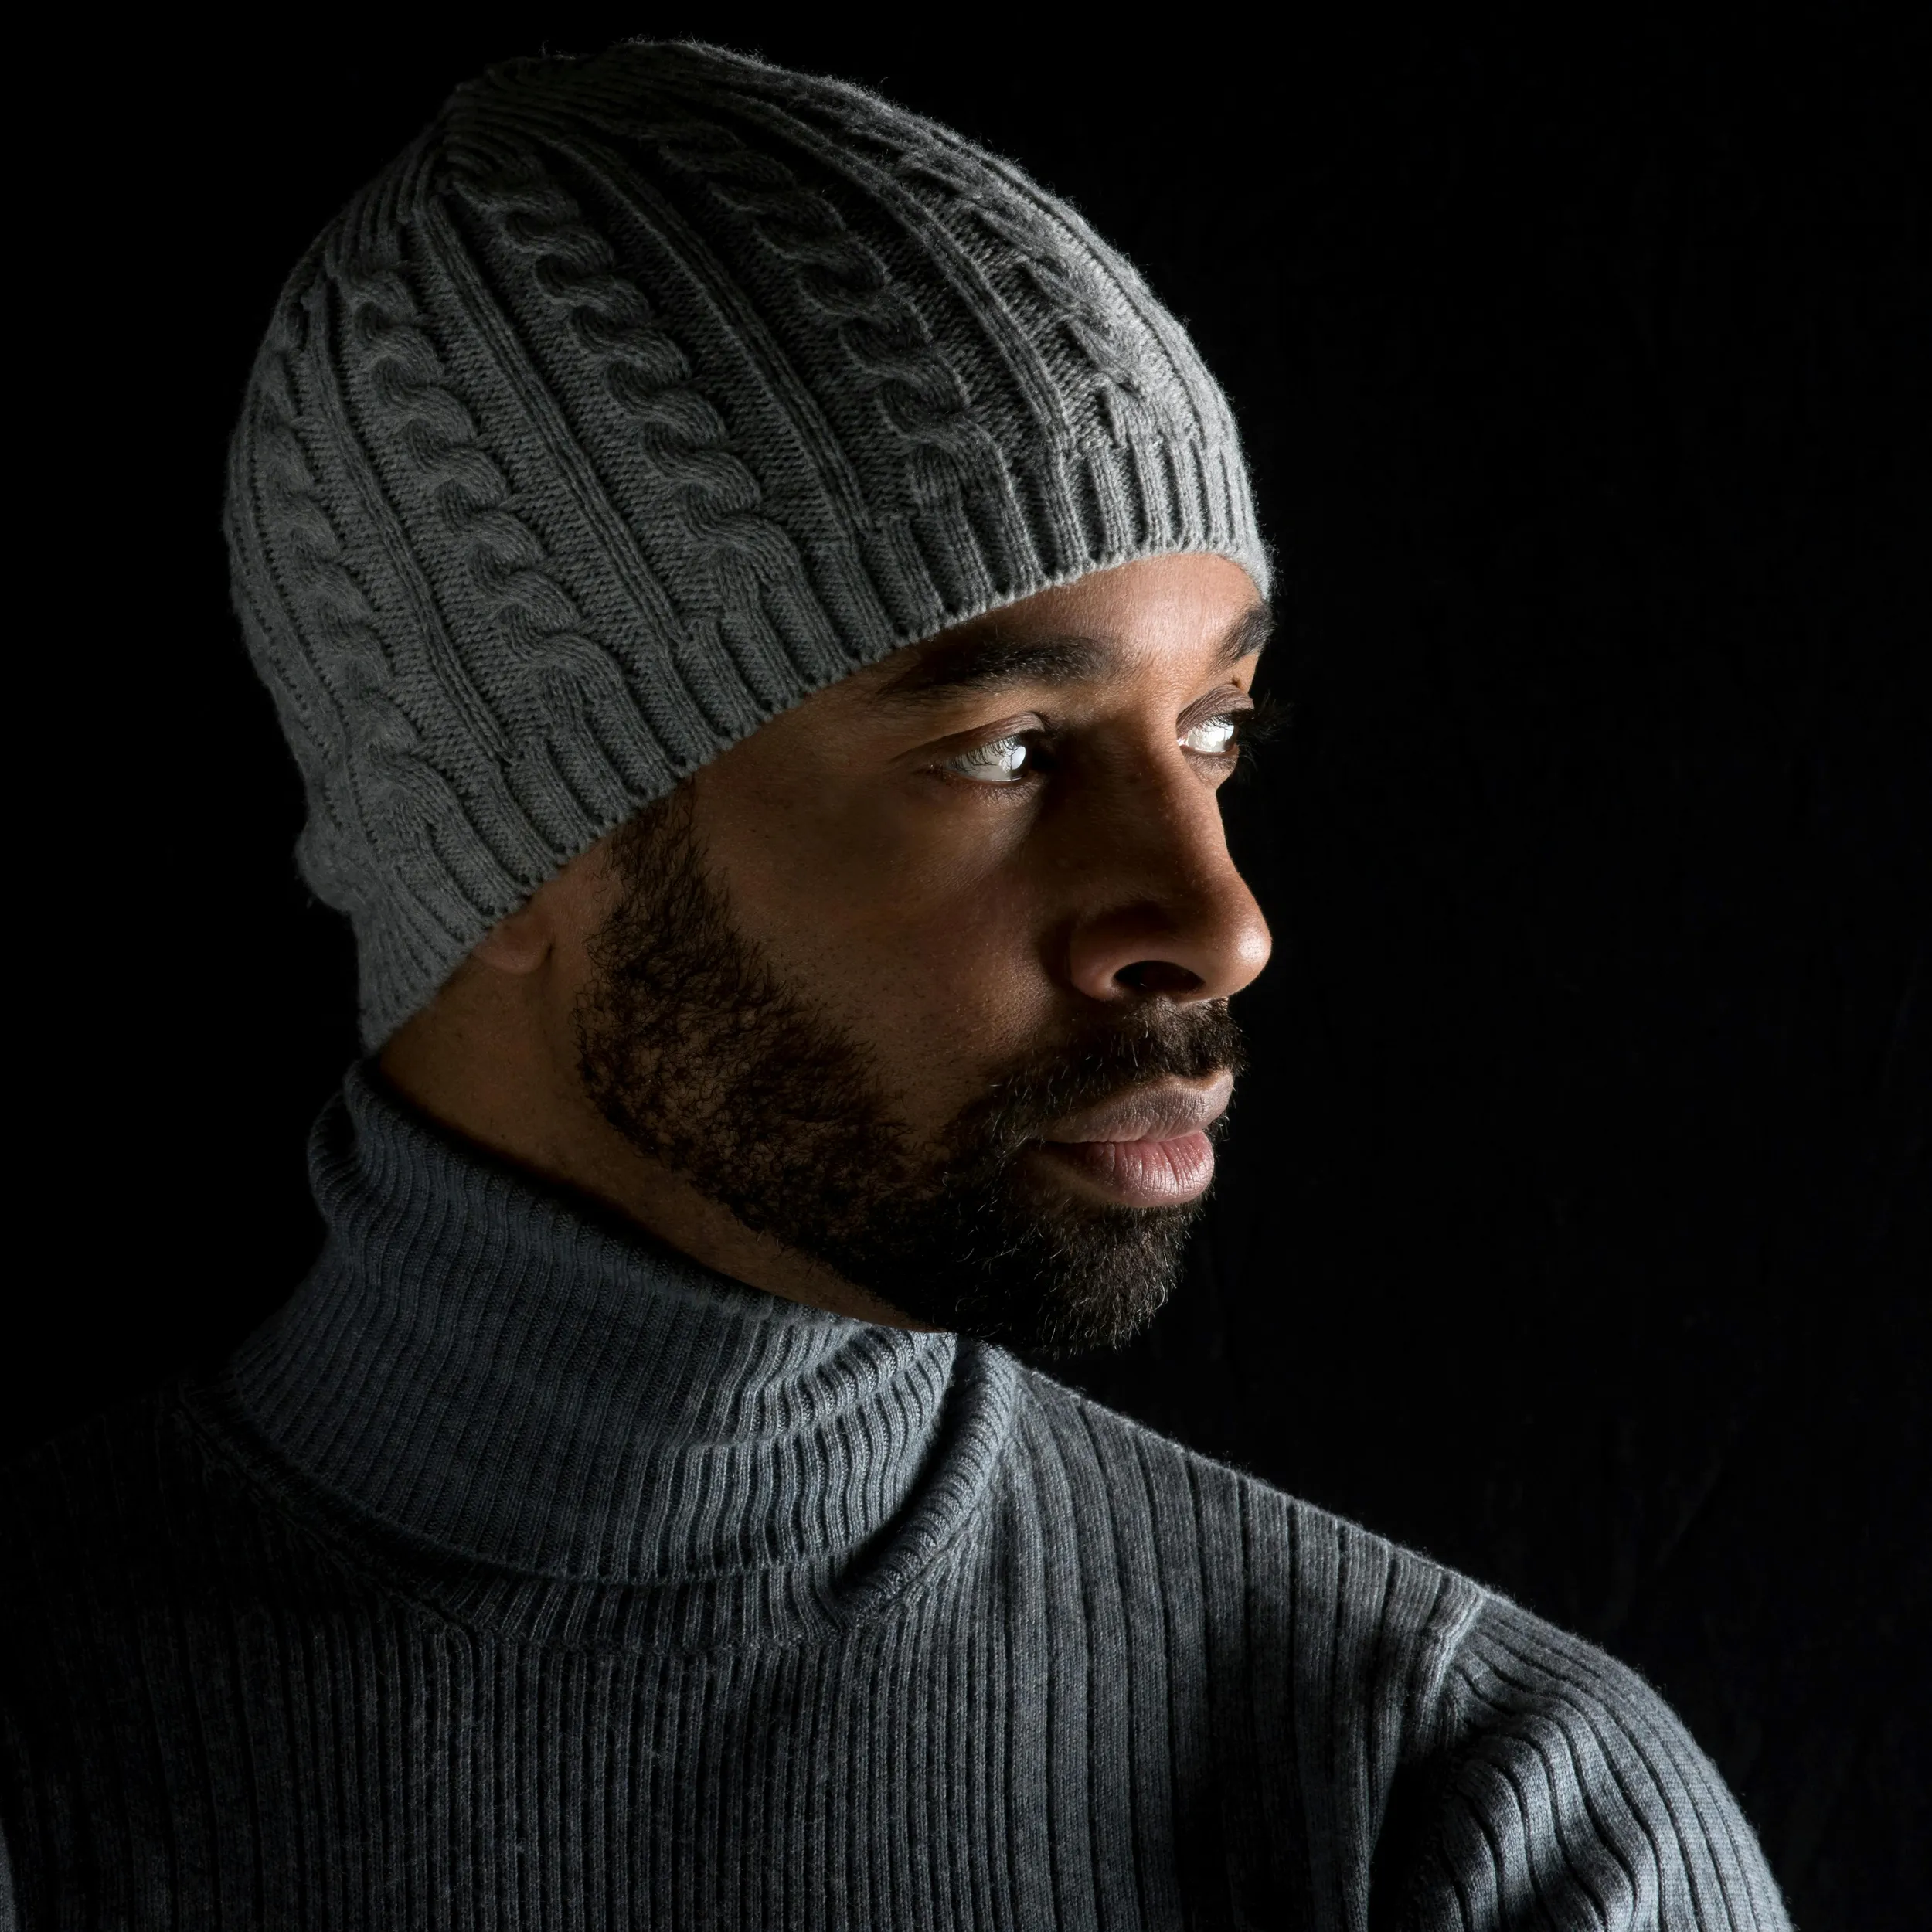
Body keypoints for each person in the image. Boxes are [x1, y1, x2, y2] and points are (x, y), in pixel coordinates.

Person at [0, 40, 1787, 1928]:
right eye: (1008, 748)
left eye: (1210, 727)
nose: (1218, 916)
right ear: (520, 846)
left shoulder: (1455, 1808)